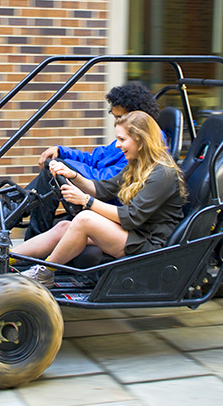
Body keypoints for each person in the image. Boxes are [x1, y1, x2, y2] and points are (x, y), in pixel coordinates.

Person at [13, 110, 187, 288]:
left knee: (84, 219)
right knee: (65, 226)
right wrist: (73, 175)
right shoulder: (137, 165)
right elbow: (102, 189)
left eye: (122, 139)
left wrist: (86, 201)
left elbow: (131, 216)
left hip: (149, 244)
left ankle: (44, 273)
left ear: (140, 140)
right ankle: (4, 259)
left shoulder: (162, 173)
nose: (118, 146)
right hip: (135, 233)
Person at [22, 81, 161, 239]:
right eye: (115, 117)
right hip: (105, 197)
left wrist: (69, 172)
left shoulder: (145, 148)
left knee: (54, 170)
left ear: (138, 118)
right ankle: (16, 209)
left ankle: (19, 217)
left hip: (116, 208)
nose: (115, 122)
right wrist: (61, 151)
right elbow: (95, 159)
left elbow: (106, 183)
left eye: (120, 117)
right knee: (56, 170)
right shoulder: (127, 142)